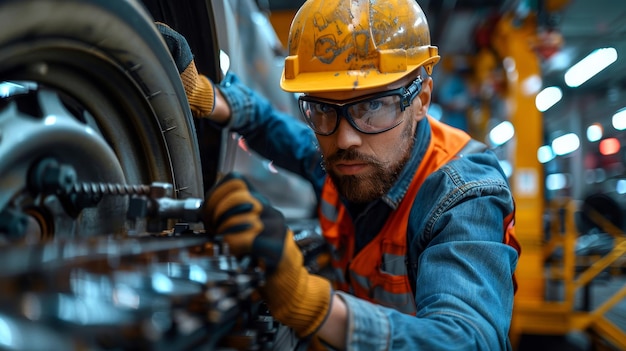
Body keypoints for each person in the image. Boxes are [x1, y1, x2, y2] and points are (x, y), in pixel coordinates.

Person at [157, 0, 521, 349]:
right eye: (321, 108)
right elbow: (272, 127)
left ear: (422, 98)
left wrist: (310, 304)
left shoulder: (462, 195)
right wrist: (208, 97)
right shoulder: (344, 155)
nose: (345, 138)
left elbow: (470, 340)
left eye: (373, 105)